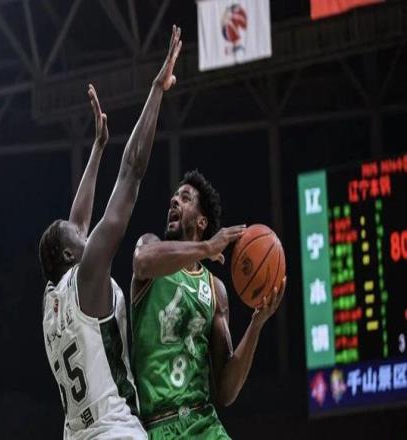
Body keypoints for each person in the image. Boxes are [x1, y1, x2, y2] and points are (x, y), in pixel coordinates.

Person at [39, 25, 183, 439]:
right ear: (71, 255)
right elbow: (132, 172)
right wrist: (156, 89)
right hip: (115, 431)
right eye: (77, 235)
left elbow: (78, 222)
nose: (83, 231)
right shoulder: (87, 275)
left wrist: (98, 147)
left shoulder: (51, 300)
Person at [131, 169, 287, 438]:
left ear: (202, 222)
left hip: (203, 422)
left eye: (185, 198)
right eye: (174, 197)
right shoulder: (150, 249)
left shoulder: (215, 290)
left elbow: (226, 391)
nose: (174, 200)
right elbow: (141, 262)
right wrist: (206, 248)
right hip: (158, 425)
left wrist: (256, 324)